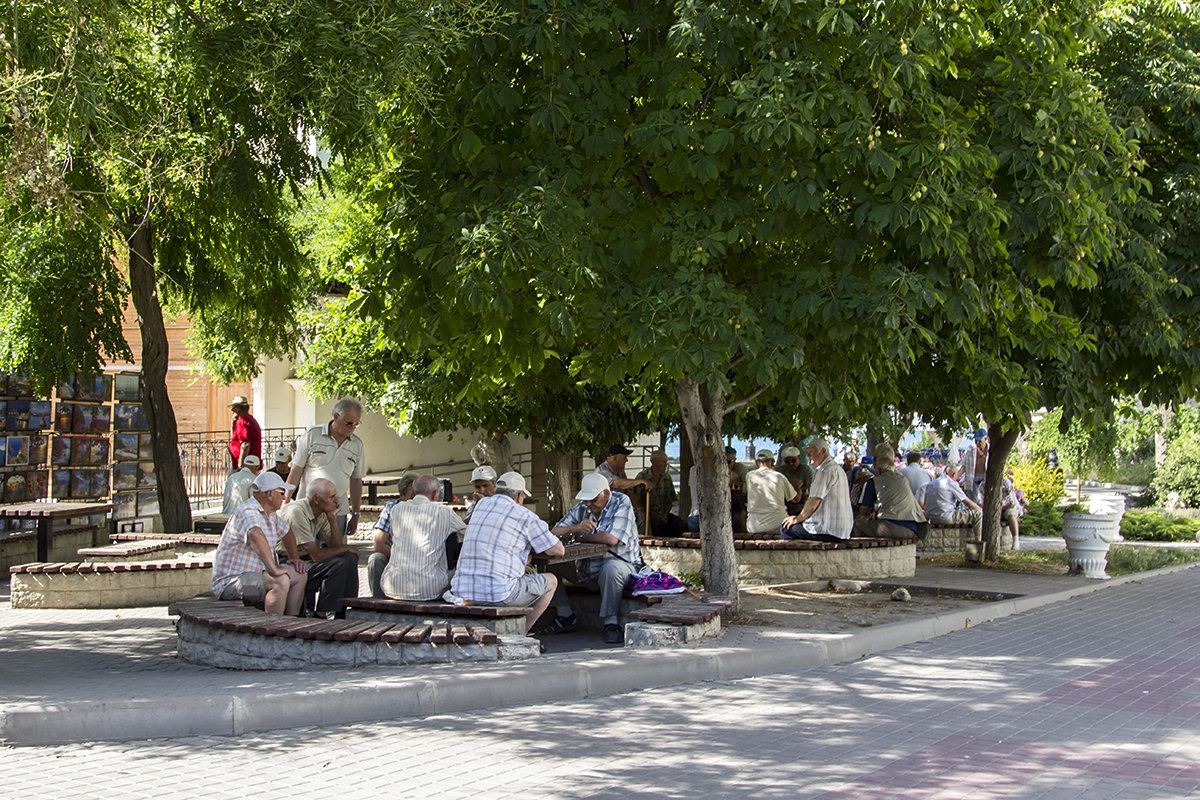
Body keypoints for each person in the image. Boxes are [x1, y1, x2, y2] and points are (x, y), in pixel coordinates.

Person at [449, 472, 564, 634]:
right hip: (499, 594)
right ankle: (521, 635)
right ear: (519, 496)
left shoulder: (481, 506)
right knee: (551, 581)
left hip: (462, 591)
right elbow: (558, 550)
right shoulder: (525, 515)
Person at [546, 473, 641, 644]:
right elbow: (553, 531)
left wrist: (581, 537)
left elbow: (611, 539)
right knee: (552, 561)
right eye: (586, 499)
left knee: (611, 569)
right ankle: (565, 615)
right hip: (587, 568)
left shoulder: (621, 502)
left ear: (605, 492)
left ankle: (610, 622)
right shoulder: (584, 507)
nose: (589, 504)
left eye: (593, 499)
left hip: (623, 567)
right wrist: (575, 528)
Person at [211, 471, 307, 616]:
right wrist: (273, 569)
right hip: (232, 580)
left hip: (257, 575)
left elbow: (287, 532)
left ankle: (291, 622)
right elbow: (255, 534)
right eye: (281, 492)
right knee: (279, 580)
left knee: (300, 573)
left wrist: (295, 558)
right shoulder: (248, 510)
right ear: (269, 494)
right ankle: (273, 628)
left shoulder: (270, 514)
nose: (285, 497)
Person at [278, 478, 360, 618]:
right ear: (316, 499)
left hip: (306, 559)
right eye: (331, 497)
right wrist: (347, 548)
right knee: (338, 564)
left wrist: (333, 518)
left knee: (349, 559)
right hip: (287, 562)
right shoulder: (297, 512)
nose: (336, 501)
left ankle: (343, 610)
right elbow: (317, 555)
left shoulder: (321, 512)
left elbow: (336, 548)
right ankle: (321, 614)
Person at [379, 475, 468, 601]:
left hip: (392, 588)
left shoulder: (396, 510)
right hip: (429, 590)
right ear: (436, 494)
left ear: (413, 493)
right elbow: (469, 536)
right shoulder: (444, 512)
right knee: (458, 571)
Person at [286, 398, 365, 537]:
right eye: (349, 423)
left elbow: (356, 480)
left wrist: (356, 514)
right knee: (305, 552)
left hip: (337, 510)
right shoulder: (313, 434)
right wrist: (287, 499)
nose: (352, 428)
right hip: (307, 507)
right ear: (336, 417)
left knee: (335, 553)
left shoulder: (357, 445)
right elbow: (296, 469)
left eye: (357, 424)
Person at [782, 437, 853, 541]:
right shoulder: (837, 469)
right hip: (843, 531)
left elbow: (813, 502)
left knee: (786, 528)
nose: (808, 455)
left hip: (827, 530)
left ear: (823, 451)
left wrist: (797, 519)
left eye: (811, 452)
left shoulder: (824, 470)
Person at [853, 444, 927, 539]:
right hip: (913, 529)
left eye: (874, 459)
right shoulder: (902, 478)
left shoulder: (875, 481)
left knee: (859, 520)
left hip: (892, 527)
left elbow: (864, 510)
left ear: (878, 461)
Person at [367, 475, 416, 598]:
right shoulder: (392, 508)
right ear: (402, 495)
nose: (416, 499)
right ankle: (378, 603)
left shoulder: (428, 508)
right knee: (376, 559)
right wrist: (402, 556)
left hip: (420, 561)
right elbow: (378, 545)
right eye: (412, 496)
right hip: (394, 556)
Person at [917, 467, 983, 538]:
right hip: (946, 517)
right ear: (954, 474)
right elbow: (969, 503)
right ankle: (978, 541)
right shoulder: (950, 483)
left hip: (932, 518)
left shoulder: (931, 483)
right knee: (978, 514)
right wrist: (981, 510)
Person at [633, 450, 685, 537]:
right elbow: (637, 501)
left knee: (680, 524)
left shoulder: (667, 477)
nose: (665, 464)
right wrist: (654, 514)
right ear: (653, 462)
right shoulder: (642, 477)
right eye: (663, 461)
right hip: (648, 514)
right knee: (659, 526)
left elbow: (670, 501)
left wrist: (664, 515)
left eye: (666, 461)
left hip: (664, 514)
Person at [746, 449, 799, 534]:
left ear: (756, 463)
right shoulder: (779, 476)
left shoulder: (749, 476)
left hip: (753, 527)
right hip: (778, 525)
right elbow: (796, 499)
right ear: (773, 462)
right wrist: (797, 487)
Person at [775, 446, 813, 515]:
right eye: (787, 461)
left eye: (793, 460)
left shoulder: (805, 470)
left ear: (799, 458)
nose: (791, 463)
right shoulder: (779, 471)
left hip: (801, 501)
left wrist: (797, 489)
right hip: (784, 501)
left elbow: (811, 486)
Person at [228, 395, 262, 469]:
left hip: (246, 466)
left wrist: (240, 466)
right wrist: (233, 423)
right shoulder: (250, 419)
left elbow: (245, 444)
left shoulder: (242, 421)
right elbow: (234, 438)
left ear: (238, 408)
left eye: (234, 408)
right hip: (252, 464)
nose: (232, 410)